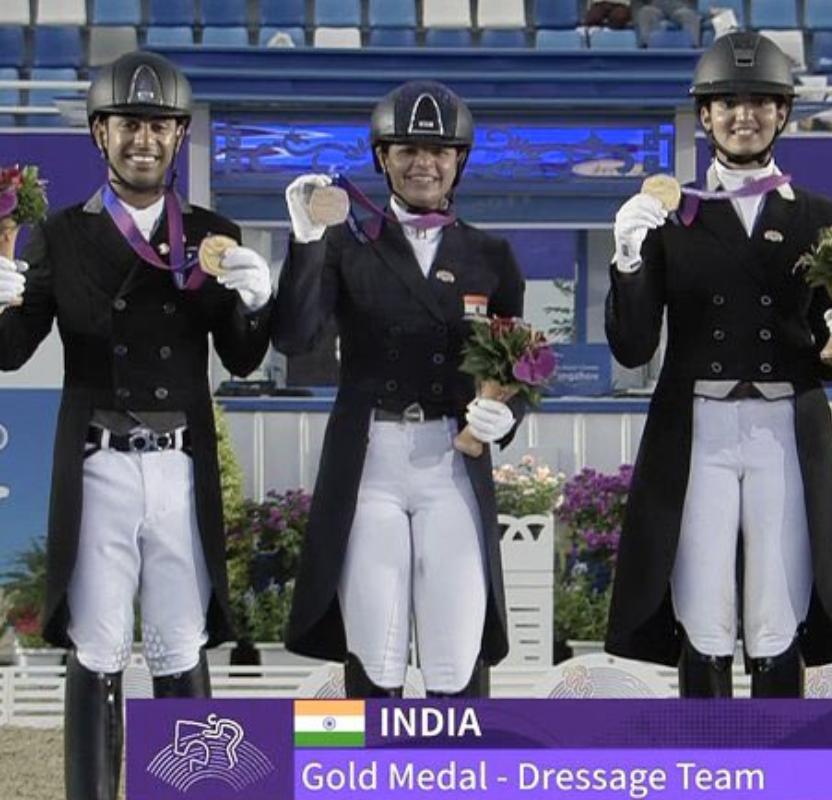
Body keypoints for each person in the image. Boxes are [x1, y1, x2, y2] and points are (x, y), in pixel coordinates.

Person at [0, 52, 273, 800]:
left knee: (180, 640)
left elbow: (243, 360)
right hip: (100, 464)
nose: (143, 140)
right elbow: (11, 348)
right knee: (98, 645)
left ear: (179, 135)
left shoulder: (215, 232)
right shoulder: (60, 234)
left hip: (179, 466)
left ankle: (194, 791)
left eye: (158, 125)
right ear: (100, 133)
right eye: (128, 124)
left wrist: (256, 301)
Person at [604, 31, 832, 699]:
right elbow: (634, 347)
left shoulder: (821, 217)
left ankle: (777, 768)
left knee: (776, 610)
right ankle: (707, 765)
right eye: (728, 104)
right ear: (705, 116)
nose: (743, 116)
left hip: (784, 426)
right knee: (702, 610)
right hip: (698, 428)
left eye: (760, 103)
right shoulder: (672, 217)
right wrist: (629, 260)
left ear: (783, 114)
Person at [274, 81, 525, 699]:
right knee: (376, 649)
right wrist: (306, 243)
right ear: (381, 157)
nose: (423, 163)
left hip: (452, 459)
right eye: (407, 149)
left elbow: (514, 365)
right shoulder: (346, 245)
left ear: (459, 161)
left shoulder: (492, 256)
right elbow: (294, 336)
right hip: (371, 460)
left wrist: (504, 418)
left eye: (439, 151)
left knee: (454, 649)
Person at [635, 0, 701, 48]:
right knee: (645, 12)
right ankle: (645, 47)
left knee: (688, 14)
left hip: (680, 6)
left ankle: (693, 48)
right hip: (655, 6)